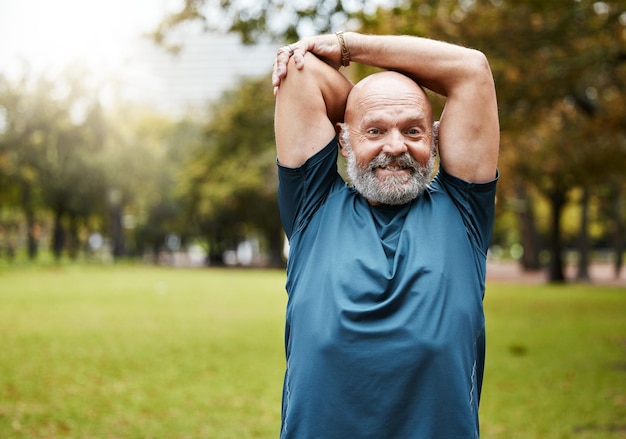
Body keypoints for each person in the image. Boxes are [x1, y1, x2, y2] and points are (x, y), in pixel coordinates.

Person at [272, 31, 499, 438]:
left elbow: (471, 70)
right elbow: (300, 74)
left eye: (413, 131)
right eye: (374, 132)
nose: (395, 146)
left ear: (435, 138)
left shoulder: (464, 210)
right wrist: (366, 107)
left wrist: (349, 48)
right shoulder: (313, 206)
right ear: (342, 139)